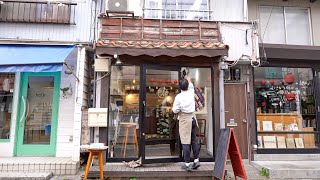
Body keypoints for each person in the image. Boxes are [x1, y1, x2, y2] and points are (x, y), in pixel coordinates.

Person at [172, 75, 200, 171]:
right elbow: (191, 84)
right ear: (187, 86)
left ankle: (187, 164)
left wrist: (179, 108)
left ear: (180, 87)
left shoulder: (179, 97)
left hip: (184, 119)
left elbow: (175, 110)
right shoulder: (191, 92)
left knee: (185, 142)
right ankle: (196, 161)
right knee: (193, 139)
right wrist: (187, 77)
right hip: (192, 118)